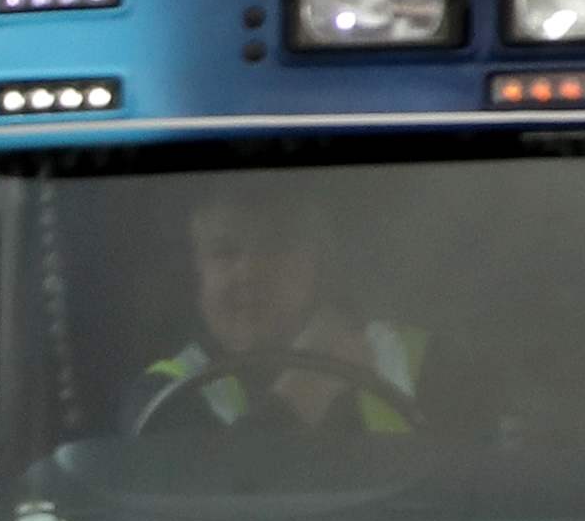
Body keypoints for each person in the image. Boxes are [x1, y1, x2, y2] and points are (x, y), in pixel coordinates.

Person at [131, 178, 436, 440]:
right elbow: (215, 501)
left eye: (274, 247)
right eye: (224, 252)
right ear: (195, 273)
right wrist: (303, 392)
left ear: (316, 265)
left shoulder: (425, 363)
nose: (248, 272)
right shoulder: (159, 399)